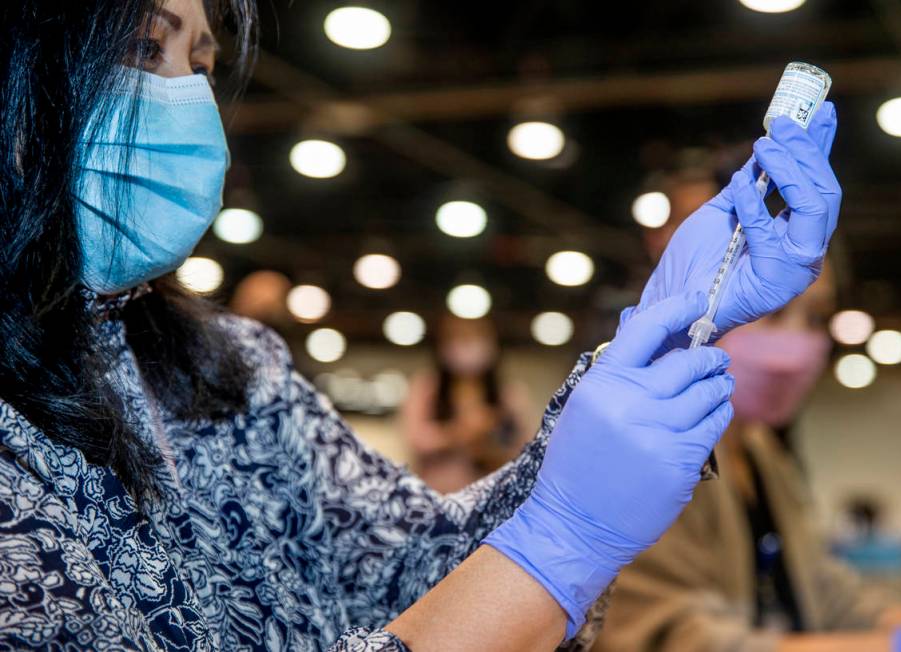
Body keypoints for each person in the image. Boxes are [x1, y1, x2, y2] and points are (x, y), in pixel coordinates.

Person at [0, 0, 849, 649]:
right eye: (146, 49)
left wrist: (666, 324)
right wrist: (556, 543)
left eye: (203, 64)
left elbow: (413, 566)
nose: (189, 99)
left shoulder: (232, 371)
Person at [593, 265, 901, 651]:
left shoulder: (761, 451)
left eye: (815, 318)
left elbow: (823, 591)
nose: (796, 341)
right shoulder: (652, 449)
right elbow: (667, 636)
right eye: (773, 311)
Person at [401, 315, 533, 493]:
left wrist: (489, 445)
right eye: (458, 336)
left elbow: (525, 449)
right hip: (439, 497)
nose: (467, 344)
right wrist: (461, 432)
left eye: (476, 336)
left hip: (491, 498)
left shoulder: (509, 394)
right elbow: (415, 438)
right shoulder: (426, 388)